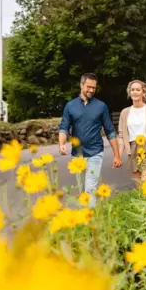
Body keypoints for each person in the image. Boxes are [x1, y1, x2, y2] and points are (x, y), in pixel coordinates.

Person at [59, 73, 122, 207]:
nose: (92, 90)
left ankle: (90, 221)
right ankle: (85, 219)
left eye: (94, 88)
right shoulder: (70, 106)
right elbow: (64, 128)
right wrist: (61, 144)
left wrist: (117, 155)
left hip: (95, 153)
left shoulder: (101, 106)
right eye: (89, 87)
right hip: (78, 155)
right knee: (82, 189)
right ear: (81, 85)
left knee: (90, 189)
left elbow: (110, 131)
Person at [117, 80, 146, 187]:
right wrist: (118, 156)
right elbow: (121, 136)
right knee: (139, 187)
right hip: (133, 149)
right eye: (132, 90)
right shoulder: (125, 112)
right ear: (129, 92)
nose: (135, 92)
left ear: (143, 92)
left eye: (138, 90)